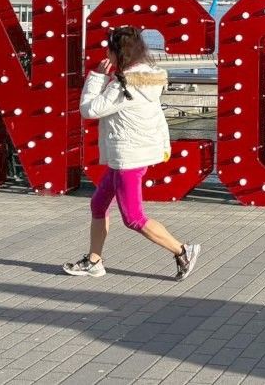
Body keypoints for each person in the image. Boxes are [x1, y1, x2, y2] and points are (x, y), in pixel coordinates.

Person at [63, 27, 201, 280]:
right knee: (98, 203)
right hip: (128, 155)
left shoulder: (123, 87)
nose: (106, 53)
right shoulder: (146, 77)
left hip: (129, 158)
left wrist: (96, 77)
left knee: (134, 218)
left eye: (109, 49)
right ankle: (94, 260)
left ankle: (182, 251)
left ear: (118, 52)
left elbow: (89, 110)